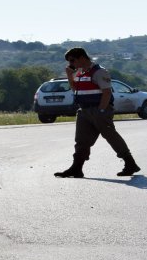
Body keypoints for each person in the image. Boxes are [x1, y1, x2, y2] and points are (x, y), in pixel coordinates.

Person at [54, 48, 140, 178]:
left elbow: (107, 92)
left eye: (72, 60)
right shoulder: (80, 72)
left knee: (111, 136)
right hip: (84, 110)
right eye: (69, 61)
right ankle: (76, 168)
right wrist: (69, 75)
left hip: (99, 109)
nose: (71, 64)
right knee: (81, 141)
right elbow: (74, 89)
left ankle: (130, 163)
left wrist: (101, 110)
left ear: (82, 57)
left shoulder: (99, 71)